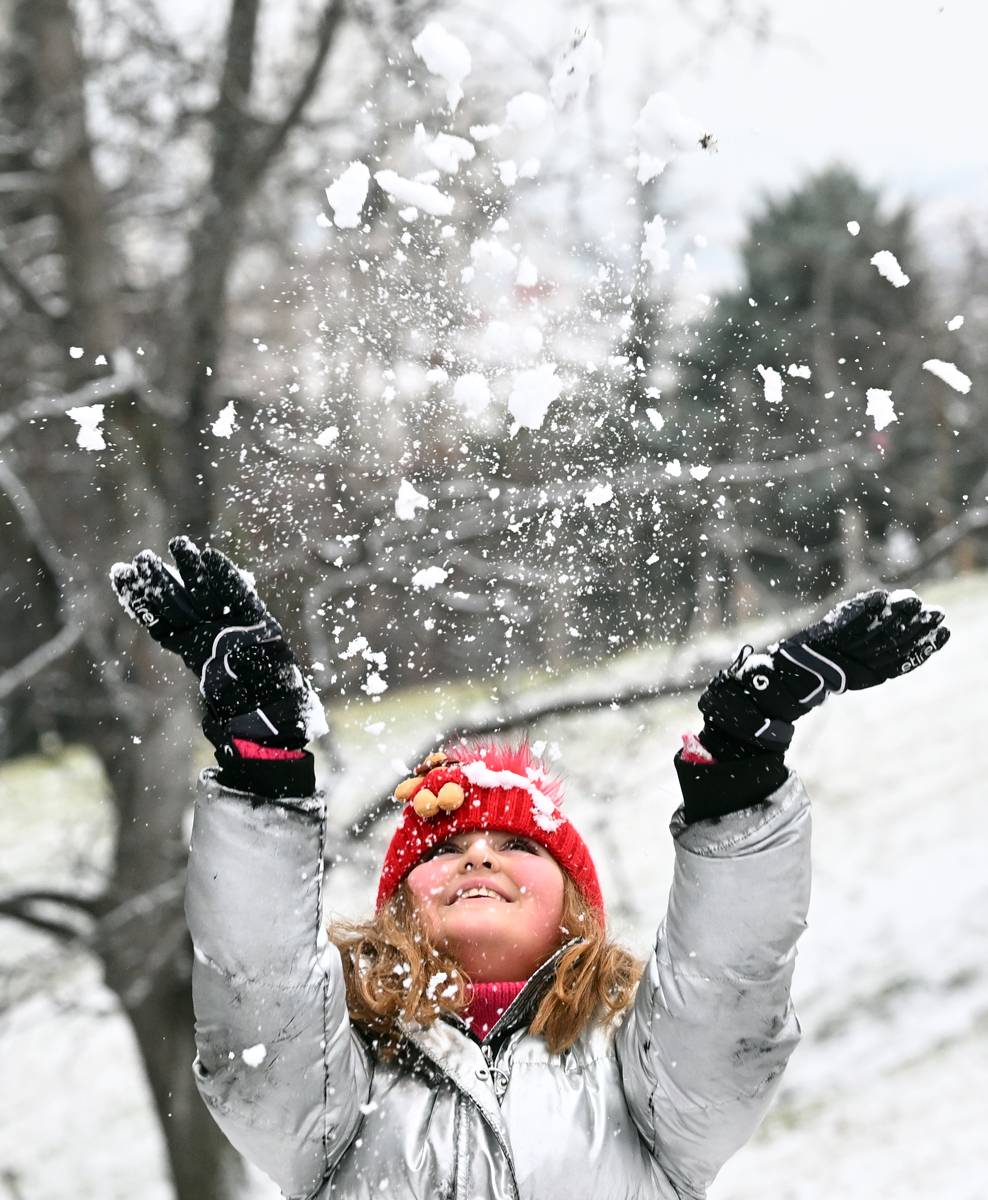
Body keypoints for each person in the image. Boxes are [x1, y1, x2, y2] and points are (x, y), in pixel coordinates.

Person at [110, 537, 949, 1200]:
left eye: (519, 847)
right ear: (396, 909)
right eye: (440, 850)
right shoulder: (337, 1091)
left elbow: (731, 986)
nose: (477, 852)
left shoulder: (641, 1081)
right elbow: (257, 991)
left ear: (575, 908)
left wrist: (740, 763)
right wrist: (262, 761)